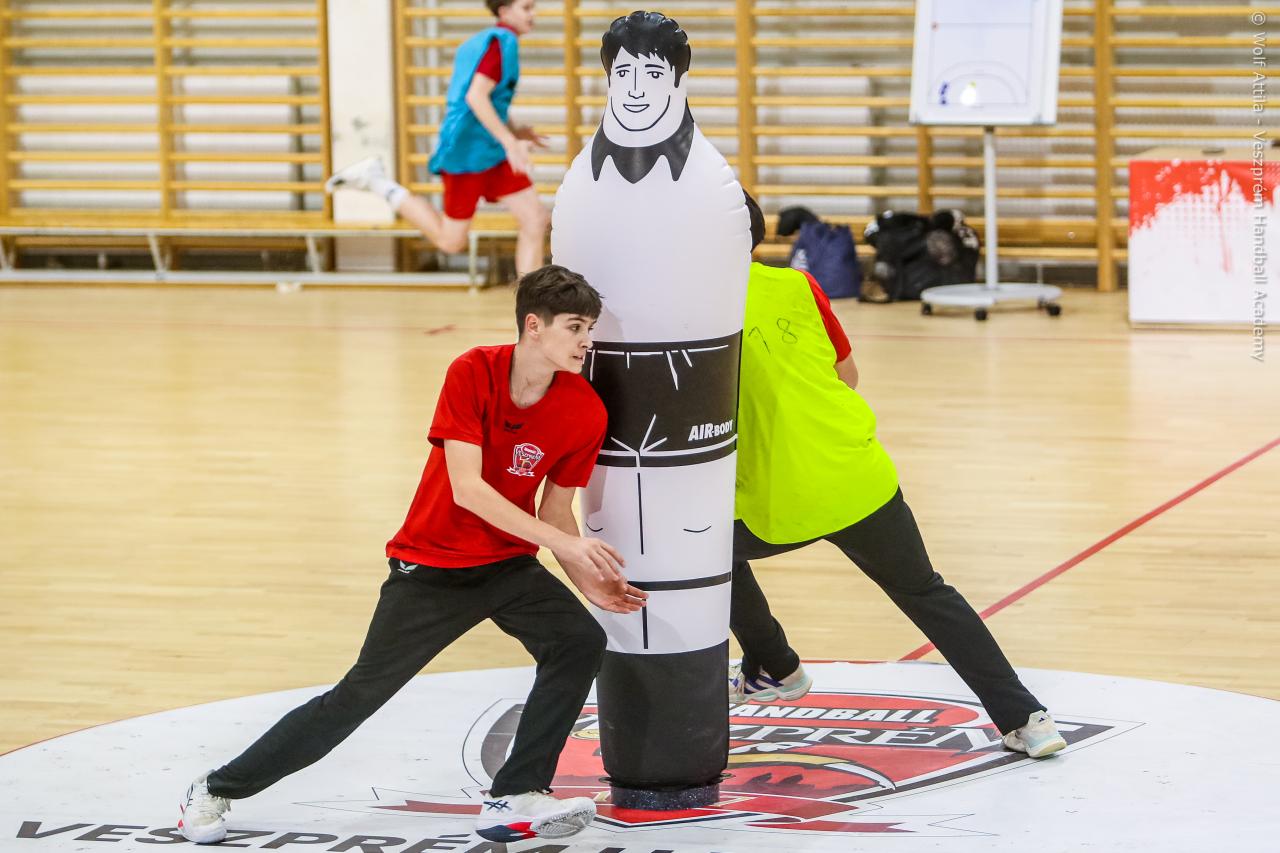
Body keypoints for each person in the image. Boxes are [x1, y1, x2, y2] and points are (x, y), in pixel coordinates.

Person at [177, 265, 648, 846]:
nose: (586, 341)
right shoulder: (473, 370)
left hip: (507, 566)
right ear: (534, 325)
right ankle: (215, 788)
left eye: (589, 329)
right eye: (575, 327)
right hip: (431, 568)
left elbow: (555, 514)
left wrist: (588, 582)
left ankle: (515, 794)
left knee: (578, 643)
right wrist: (568, 546)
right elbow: (468, 489)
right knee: (355, 699)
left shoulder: (585, 409)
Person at [728, 193, 1067, 759]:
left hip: (777, 499)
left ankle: (777, 665)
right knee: (927, 593)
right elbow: (847, 375)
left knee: (697, 556)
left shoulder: (689, 310)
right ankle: (1028, 719)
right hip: (860, 476)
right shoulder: (798, 285)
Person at [325, 0, 549, 277]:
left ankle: (532, 298)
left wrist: (514, 132)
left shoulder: (493, 42)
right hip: (466, 154)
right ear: (504, 11)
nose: (533, 14)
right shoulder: (501, 43)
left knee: (535, 219)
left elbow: (490, 100)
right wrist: (509, 141)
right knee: (451, 241)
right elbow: (476, 97)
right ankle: (377, 182)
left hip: (490, 152)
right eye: (526, 8)